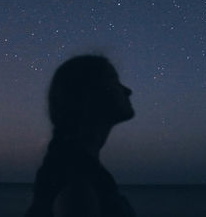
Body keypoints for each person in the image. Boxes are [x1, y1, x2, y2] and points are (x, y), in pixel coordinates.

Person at [25, 54, 136, 217]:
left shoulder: (73, 167)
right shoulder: (77, 184)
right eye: (113, 80)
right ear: (90, 92)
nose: (127, 90)